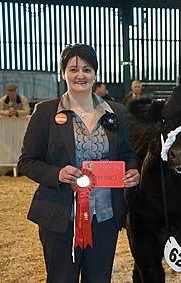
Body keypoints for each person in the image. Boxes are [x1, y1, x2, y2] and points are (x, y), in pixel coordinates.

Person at [17, 44, 140, 282]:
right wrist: (57, 173)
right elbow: (27, 162)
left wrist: (133, 171)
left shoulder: (117, 112)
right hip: (60, 218)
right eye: (73, 69)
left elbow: (128, 155)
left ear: (95, 73)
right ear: (63, 73)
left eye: (87, 69)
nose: (80, 75)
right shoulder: (45, 113)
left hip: (104, 218)